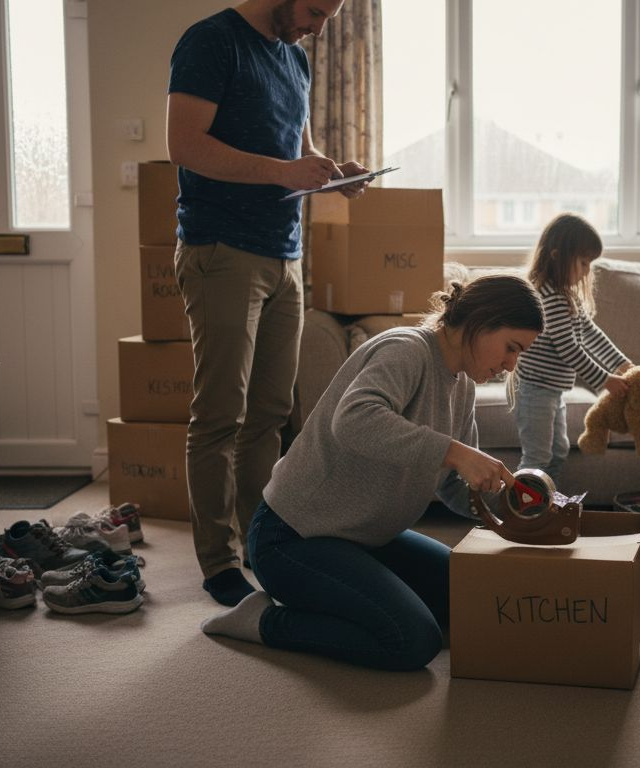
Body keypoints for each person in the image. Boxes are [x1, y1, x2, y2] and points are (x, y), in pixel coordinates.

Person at [200, 275, 545, 671]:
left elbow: (453, 487)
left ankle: (357, 595)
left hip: (366, 537)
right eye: (511, 348)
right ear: (482, 320)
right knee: (413, 640)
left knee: (474, 595)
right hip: (293, 538)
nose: (510, 365)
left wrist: (513, 504)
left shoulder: (462, 386)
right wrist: (453, 452)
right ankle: (263, 620)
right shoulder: (406, 350)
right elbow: (353, 419)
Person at [166, 0, 367, 606]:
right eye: (314, 10)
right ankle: (217, 559)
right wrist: (285, 173)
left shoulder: (295, 60)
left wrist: (331, 174)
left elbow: (297, 152)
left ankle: (260, 542)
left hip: (286, 255)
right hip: (222, 249)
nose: (320, 26)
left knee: (272, 412)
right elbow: (185, 145)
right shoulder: (210, 42)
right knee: (220, 411)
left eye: (330, 15)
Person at [511, 213, 632, 480]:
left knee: (559, 451)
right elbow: (570, 349)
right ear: (557, 255)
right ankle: (519, 508)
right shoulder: (548, 296)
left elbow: (591, 333)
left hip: (552, 390)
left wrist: (620, 363)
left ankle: (544, 504)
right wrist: (605, 380)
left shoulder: (566, 294)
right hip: (535, 390)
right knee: (537, 457)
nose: (587, 270)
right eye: (583, 262)